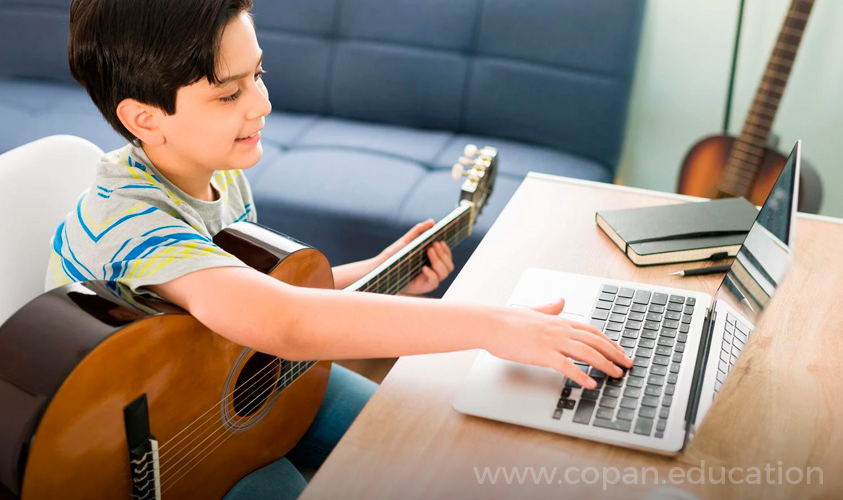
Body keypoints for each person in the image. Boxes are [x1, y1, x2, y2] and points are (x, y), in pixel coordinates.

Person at [49, 0, 633, 498]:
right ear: (144, 118)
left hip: (225, 388)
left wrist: (378, 271)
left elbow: (247, 300)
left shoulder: (216, 172)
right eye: (229, 94)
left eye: (258, 74)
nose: (262, 104)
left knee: (421, 444)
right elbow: (282, 320)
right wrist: (497, 326)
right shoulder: (129, 221)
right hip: (156, 457)